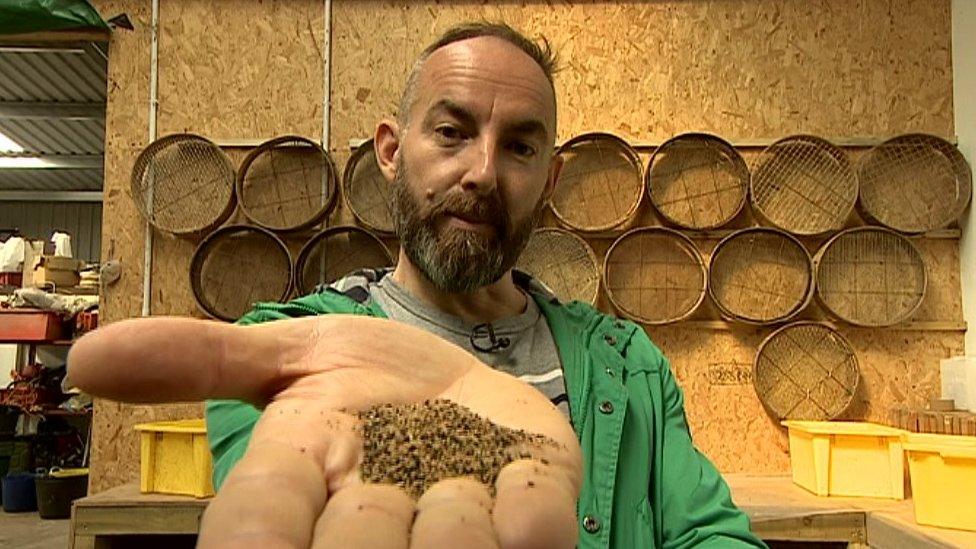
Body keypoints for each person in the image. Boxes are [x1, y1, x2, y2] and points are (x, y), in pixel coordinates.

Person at [68, 22, 765, 549]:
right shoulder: (285, 358)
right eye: (452, 132)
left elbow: (714, 533)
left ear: (548, 182)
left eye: (520, 146)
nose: (483, 172)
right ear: (393, 153)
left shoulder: (628, 363)